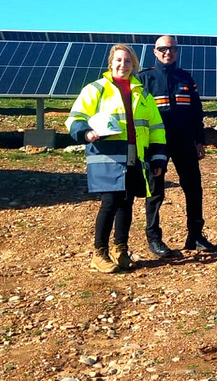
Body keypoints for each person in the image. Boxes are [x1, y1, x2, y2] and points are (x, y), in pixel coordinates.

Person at [65, 44, 167, 273]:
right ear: (111, 63)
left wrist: (159, 158)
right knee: (110, 203)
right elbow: (75, 118)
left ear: (134, 65)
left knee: (126, 203)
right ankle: (99, 253)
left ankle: (120, 250)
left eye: (128, 61)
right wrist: (85, 133)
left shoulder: (142, 93)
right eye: (119, 60)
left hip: (135, 155)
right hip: (107, 156)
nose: (123, 65)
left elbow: (156, 127)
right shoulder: (96, 89)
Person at [138, 35, 215, 257]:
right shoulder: (145, 79)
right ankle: (154, 239)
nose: (167, 52)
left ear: (177, 51)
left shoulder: (186, 79)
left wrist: (200, 140)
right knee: (155, 191)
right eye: (162, 49)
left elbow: (196, 112)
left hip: (184, 142)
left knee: (193, 188)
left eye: (171, 49)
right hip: (156, 144)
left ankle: (196, 235)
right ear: (155, 51)